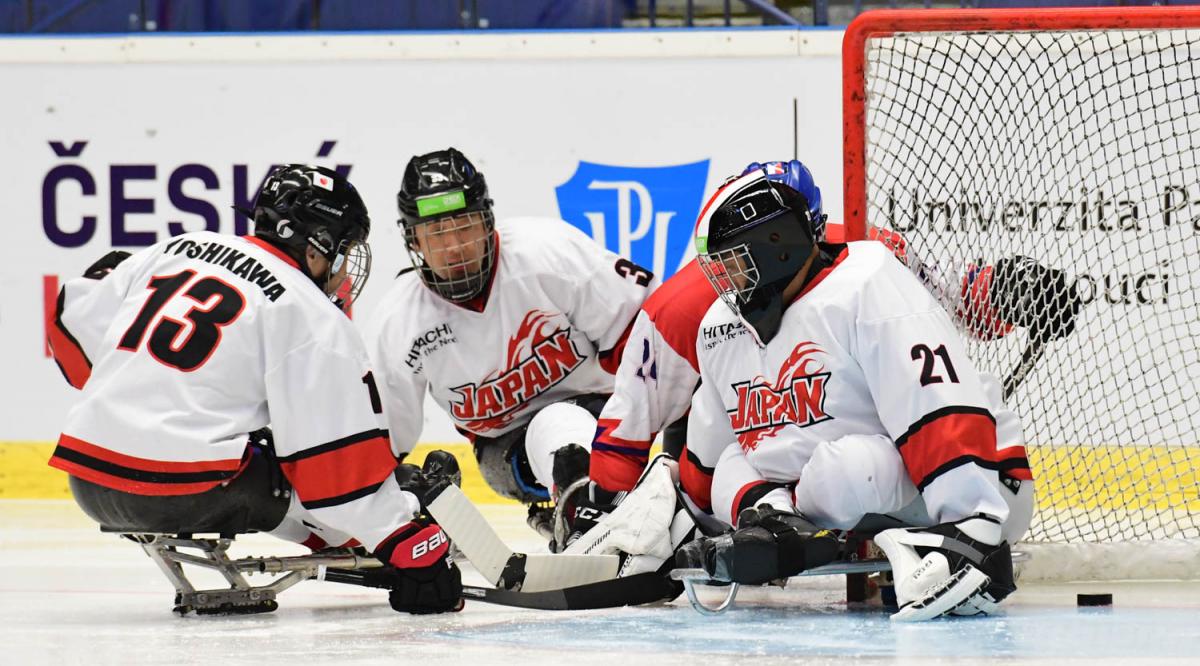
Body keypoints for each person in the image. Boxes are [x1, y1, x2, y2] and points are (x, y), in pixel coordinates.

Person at [46, 165, 462, 615]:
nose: (343, 273)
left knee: (256, 444)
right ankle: (378, 531)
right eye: (343, 252)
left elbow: (68, 328)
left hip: (85, 480)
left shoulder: (176, 248)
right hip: (186, 491)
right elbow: (337, 477)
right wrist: (405, 544)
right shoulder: (309, 312)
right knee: (300, 465)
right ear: (318, 245)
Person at [680, 166, 1040, 621]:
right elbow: (706, 462)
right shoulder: (720, 328)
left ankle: (953, 536)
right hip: (843, 501)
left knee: (840, 472)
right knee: (732, 463)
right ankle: (779, 525)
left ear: (776, 245)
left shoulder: (866, 281)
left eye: (735, 262)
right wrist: (684, 525)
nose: (727, 280)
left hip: (982, 480)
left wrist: (974, 524)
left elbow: (936, 403)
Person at [367, 148, 653, 527]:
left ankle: (593, 512)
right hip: (505, 453)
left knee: (568, 421)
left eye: (464, 226)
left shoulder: (548, 254)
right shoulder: (399, 322)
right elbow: (383, 439)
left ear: (487, 222)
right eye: (436, 234)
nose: (454, 248)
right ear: (414, 242)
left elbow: (651, 337)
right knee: (557, 427)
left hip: (606, 415)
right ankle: (588, 520)